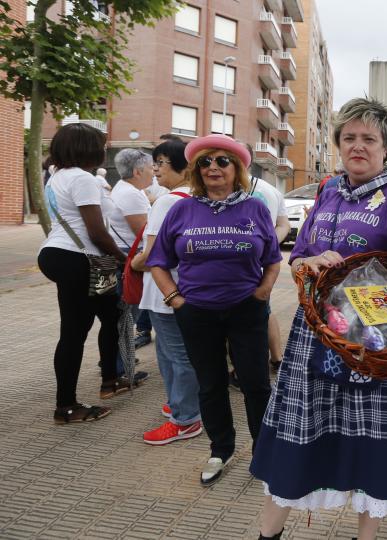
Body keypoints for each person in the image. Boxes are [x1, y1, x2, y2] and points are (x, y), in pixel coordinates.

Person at [251, 97, 387, 540]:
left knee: (376, 444)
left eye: (369, 138)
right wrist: (310, 263)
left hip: (379, 339)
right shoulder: (328, 190)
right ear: (338, 145)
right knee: (302, 432)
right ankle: (267, 534)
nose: (358, 146)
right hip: (318, 336)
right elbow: (299, 259)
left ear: (385, 147)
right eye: (349, 138)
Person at [147, 134, 282, 485]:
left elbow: (272, 259)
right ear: (196, 169)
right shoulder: (181, 209)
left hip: (246, 310)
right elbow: (158, 262)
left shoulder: (254, 208)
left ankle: (264, 451)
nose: (213, 167)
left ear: (236, 168)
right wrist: (175, 300)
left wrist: (263, 293)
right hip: (197, 313)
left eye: (222, 161)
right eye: (205, 162)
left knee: (255, 384)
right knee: (210, 385)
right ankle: (221, 448)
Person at [38, 123, 127, 423]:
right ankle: (66, 406)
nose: (103, 150)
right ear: (86, 148)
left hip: (65, 256)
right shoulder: (83, 178)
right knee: (74, 332)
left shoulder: (56, 177)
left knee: (109, 315)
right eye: (100, 145)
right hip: (80, 260)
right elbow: (97, 232)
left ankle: (111, 379)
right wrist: (122, 257)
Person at [131, 138, 203, 446]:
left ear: (182, 166)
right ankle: (180, 404)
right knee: (177, 353)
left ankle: (186, 418)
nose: (155, 169)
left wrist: (132, 263)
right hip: (186, 288)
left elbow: (151, 257)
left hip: (164, 293)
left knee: (176, 356)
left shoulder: (167, 202)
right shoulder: (200, 198)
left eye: (160, 163)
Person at [107, 148, 153, 389]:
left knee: (122, 317)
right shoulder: (131, 195)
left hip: (122, 258)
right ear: (137, 171)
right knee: (126, 317)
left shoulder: (127, 190)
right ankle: (119, 370)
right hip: (128, 260)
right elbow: (144, 233)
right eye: (151, 168)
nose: (154, 173)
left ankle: (114, 362)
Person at [245, 144, 291, 371]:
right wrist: (270, 244)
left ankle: (246, 365)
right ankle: (277, 357)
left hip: (248, 265)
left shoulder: (231, 190)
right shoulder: (271, 189)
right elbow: (284, 225)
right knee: (265, 309)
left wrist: (265, 246)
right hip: (263, 262)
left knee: (252, 314)